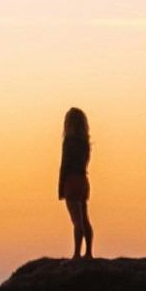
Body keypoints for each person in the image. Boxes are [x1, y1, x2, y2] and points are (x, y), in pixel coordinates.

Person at [58, 105, 94, 258]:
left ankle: (77, 253)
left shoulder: (69, 141)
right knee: (85, 219)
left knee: (77, 221)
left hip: (71, 180)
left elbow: (64, 164)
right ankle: (88, 252)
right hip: (83, 180)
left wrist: (61, 186)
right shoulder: (84, 142)